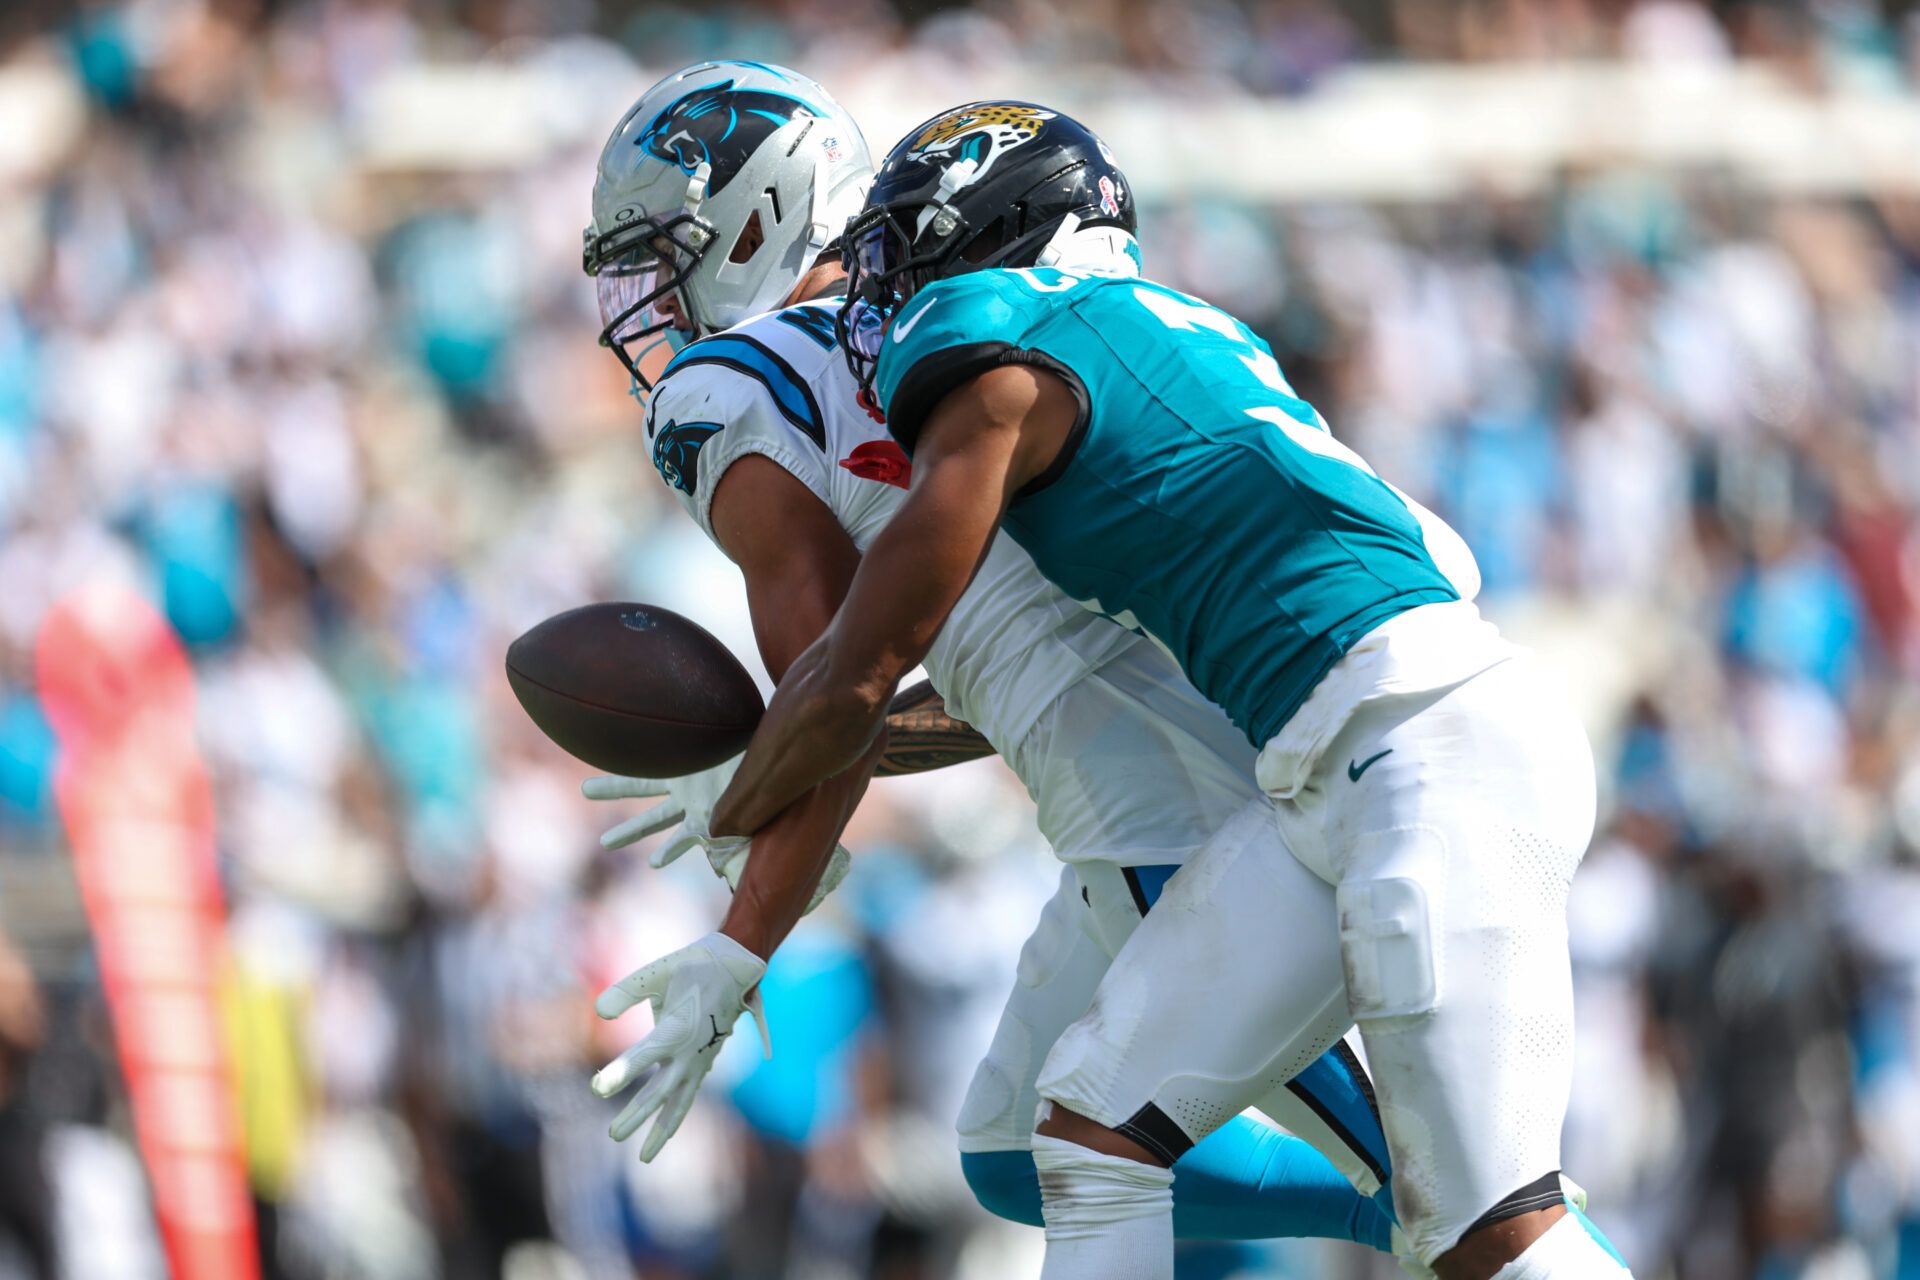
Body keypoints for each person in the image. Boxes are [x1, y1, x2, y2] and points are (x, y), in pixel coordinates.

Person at [700, 101, 1633, 1280]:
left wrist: (734, 816)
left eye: (906, 249)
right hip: (1349, 759)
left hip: (1414, 752)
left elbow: (857, 670)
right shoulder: (1170, 330)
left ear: (996, 228)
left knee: (1491, 1233)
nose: (884, 294)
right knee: (1092, 1130)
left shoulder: (998, 346)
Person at [578, 62, 1399, 1254]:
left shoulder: (728, 387)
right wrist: (780, 751)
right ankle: (1389, 1215)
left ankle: (1443, 1215)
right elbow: (956, 675)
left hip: (1166, 811)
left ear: (757, 219)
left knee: (1464, 1194)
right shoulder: (960, 326)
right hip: (1225, 733)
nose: (648, 300)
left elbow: (840, 697)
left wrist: (742, 912)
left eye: (667, 254)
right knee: (1015, 1146)